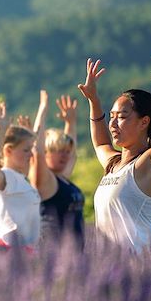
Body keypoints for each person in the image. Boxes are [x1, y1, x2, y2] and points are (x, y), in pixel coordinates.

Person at [78, 47, 151, 252]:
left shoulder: (150, 162)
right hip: (107, 269)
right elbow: (100, 143)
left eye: (122, 117)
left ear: (144, 122)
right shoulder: (113, 164)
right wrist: (94, 101)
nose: (113, 123)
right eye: (112, 116)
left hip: (138, 269)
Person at [0, 91, 42, 250]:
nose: (31, 154)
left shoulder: (22, 179)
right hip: (6, 251)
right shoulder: (7, 177)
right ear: (8, 151)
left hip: (24, 252)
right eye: (25, 150)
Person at [31, 93, 85, 249]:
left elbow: (73, 152)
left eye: (66, 151)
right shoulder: (46, 182)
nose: (65, 155)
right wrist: (43, 110)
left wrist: (71, 122)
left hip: (74, 258)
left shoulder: (62, 178)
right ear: (46, 152)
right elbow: (37, 150)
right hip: (52, 257)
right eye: (59, 150)